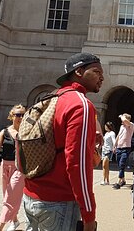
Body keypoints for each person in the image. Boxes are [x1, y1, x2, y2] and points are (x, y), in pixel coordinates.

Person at [23, 52, 103, 231]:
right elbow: (77, 164)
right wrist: (89, 214)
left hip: (31, 195)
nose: (102, 77)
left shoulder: (52, 97)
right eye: (97, 71)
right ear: (79, 71)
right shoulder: (80, 105)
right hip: (59, 200)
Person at [0, 105, 27, 231]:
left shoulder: (27, 131)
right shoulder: (4, 131)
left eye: (23, 114)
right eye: (18, 115)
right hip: (5, 165)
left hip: (19, 167)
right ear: (12, 116)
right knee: (8, 195)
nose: (20, 117)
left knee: (9, 197)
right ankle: (15, 220)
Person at [112, 113, 134, 189]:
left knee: (122, 164)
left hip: (126, 148)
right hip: (119, 147)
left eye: (123, 119)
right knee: (119, 165)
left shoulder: (131, 125)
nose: (121, 121)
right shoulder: (122, 126)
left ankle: (119, 182)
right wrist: (115, 145)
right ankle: (123, 180)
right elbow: (118, 135)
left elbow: (125, 120)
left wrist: (122, 116)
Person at [99, 121, 116, 185]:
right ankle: (107, 180)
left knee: (104, 164)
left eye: (106, 126)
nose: (105, 127)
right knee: (106, 166)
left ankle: (104, 180)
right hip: (104, 150)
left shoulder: (112, 133)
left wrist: (114, 147)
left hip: (109, 150)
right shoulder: (106, 134)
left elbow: (114, 141)